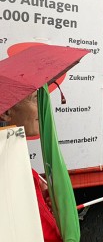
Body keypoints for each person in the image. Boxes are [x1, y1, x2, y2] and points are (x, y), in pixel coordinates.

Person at [0, 92, 63, 241]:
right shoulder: (9, 168)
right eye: (35, 99)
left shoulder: (17, 164)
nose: (41, 106)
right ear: (6, 112)